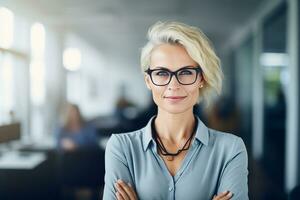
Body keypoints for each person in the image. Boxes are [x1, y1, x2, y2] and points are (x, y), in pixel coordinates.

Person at [103, 21, 248, 200]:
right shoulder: (122, 148)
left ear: (201, 78)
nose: (174, 85)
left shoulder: (231, 149)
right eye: (162, 73)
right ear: (148, 80)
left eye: (186, 72)